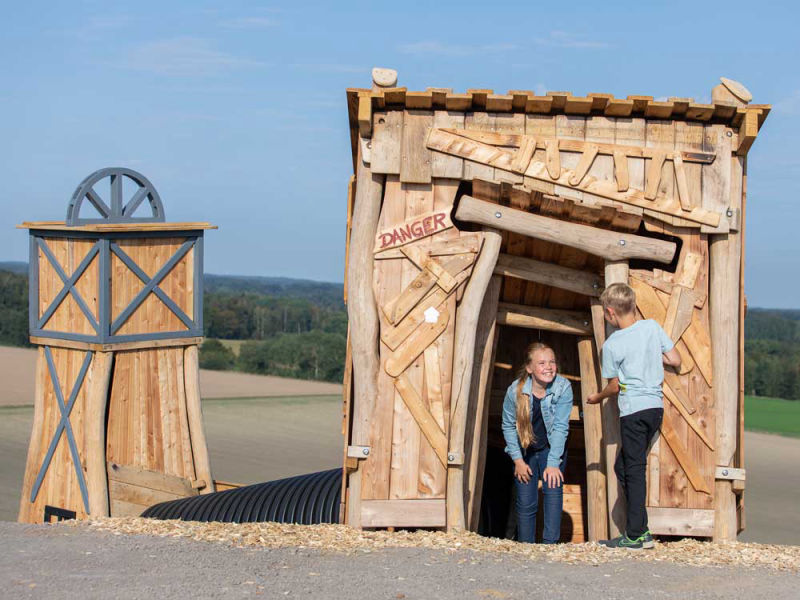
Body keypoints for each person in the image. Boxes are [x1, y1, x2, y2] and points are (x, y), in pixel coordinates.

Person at [587, 282, 682, 550]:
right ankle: (640, 529)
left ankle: (637, 535)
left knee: (634, 470)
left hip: (633, 411)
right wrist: (651, 355)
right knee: (624, 468)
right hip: (655, 408)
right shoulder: (651, 327)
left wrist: (598, 396)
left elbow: (615, 386)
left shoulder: (612, 344)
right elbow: (674, 359)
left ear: (609, 313)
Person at [501, 342, 573, 544]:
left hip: (552, 448)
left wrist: (553, 463)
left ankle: (550, 545)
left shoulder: (563, 387)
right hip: (525, 450)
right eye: (541, 363)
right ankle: (526, 546)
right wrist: (517, 461)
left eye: (552, 362)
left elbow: (560, 427)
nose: (548, 367)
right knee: (526, 502)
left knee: (553, 491)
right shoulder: (515, 391)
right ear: (529, 368)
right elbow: (507, 426)